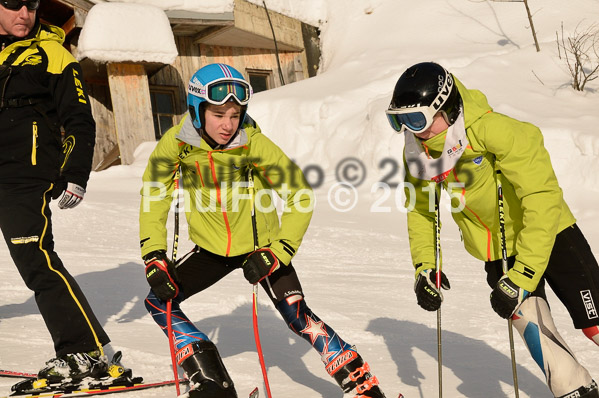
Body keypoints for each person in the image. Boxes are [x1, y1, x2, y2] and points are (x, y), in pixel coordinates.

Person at [140, 63, 386, 398]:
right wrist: (153, 254)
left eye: (235, 114)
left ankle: (362, 386)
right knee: (160, 302)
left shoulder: (253, 143)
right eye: (218, 114)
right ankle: (211, 381)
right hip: (211, 250)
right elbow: (155, 194)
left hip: (262, 250)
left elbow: (299, 194)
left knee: (297, 316)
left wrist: (278, 251)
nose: (229, 125)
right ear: (197, 110)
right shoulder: (177, 144)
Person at [385, 61, 599, 398]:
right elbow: (421, 210)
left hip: (551, 235)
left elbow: (542, 197)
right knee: (554, 364)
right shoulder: (418, 152)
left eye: (416, 119)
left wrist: (523, 277)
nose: (410, 130)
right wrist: (425, 268)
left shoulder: (494, 131)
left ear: (445, 107)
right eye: (399, 121)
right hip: (498, 254)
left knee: (595, 326)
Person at [0, 0, 110, 385]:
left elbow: (78, 118)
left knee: (36, 259)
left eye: (30, 6)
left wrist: (75, 172)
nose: (24, 14)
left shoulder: (53, 53)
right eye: (13, 5)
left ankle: (84, 349)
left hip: (26, 174)